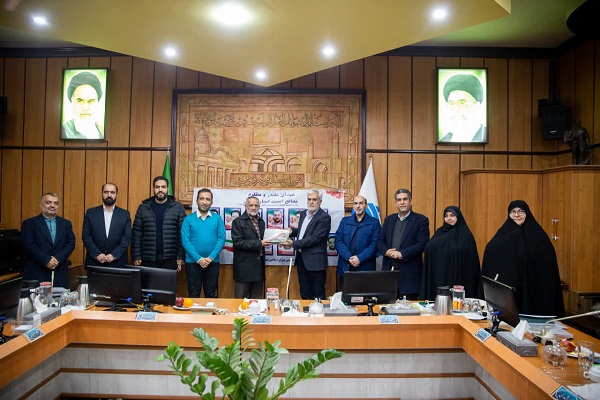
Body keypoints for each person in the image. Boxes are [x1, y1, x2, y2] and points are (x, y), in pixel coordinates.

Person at [481, 200, 564, 317]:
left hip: (534, 289)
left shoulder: (539, 236)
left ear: (527, 213)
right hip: (512, 290)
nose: (517, 215)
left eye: (521, 211)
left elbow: (548, 264)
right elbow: (491, 254)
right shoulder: (502, 236)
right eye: (513, 212)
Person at [377, 189, 430, 300]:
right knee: (386, 306)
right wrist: (387, 251)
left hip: (409, 274)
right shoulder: (389, 219)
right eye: (399, 200)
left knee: (409, 308)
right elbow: (380, 241)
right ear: (396, 203)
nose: (402, 202)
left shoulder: (421, 220)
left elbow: (423, 243)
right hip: (389, 272)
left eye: (405, 199)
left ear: (410, 201)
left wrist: (402, 254)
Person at [420, 206, 480, 300]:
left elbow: (470, 259)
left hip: (459, 275)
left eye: (452, 215)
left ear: (458, 217)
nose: (449, 218)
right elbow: (429, 247)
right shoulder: (439, 232)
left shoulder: (465, 235)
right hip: (440, 272)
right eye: (446, 216)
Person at [282, 189, 332, 300]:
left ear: (320, 201)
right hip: (301, 260)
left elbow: (315, 238)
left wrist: (294, 243)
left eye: (314, 199)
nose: (311, 202)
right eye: (309, 199)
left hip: (316, 262)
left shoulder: (324, 217)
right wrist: (291, 231)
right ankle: (306, 312)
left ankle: (319, 312)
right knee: (304, 293)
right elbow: (303, 232)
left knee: (318, 294)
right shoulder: (303, 214)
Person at [21, 193, 76, 288]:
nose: (52, 205)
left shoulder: (66, 224)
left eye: (56, 203)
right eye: (48, 202)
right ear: (41, 204)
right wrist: (46, 260)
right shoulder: (30, 223)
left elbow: (71, 243)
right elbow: (28, 245)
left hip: (59, 270)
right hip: (37, 271)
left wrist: (57, 259)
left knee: (59, 296)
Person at [131, 176, 186, 270]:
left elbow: (182, 233)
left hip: (171, 258)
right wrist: (136, 255)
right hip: (148, 257)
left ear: (167, 188)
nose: (160, 190)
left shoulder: (178, 207)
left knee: (168, 281)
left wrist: (181, 256)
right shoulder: (143, 207)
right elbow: (137, 233)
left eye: (163, 187)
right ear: (153, 188)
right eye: (157, 187)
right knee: (147, 280)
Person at [181, 188, 226, 297]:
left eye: (207, 199)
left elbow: (221, 239)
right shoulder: (188, 219)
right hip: (193, 262)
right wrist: (198, 259)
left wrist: (210, 258)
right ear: (197, 201)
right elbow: (185, 241)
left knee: (211, 294)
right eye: (201, 199)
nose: (204, 202)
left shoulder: (218, 219)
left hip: (212, 263)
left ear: (211, 202)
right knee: (193, 294)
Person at [334, 195, 381, 288]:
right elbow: (338, 241)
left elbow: (375, 245)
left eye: (361, 203)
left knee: (364, 295)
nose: (358, 206)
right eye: (355, 203)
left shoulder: (374, 223)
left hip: (365, 268)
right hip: (346, 267)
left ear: (366, 206)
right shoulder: (345, 221)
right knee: (344, 295)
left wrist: (359, 258)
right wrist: (349, 258)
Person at [82, 183, 132, 267]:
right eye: (106, 192)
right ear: (102, 193)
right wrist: (97, 254)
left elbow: (127, 237)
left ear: (117, 195)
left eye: (112, 192)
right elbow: (86, 236)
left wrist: (114, 255)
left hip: (118, 263)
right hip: (95, 262)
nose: (109, 195)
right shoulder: (91, 213)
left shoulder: (125, 214)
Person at [231, 196, 270, 298]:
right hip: (244, 269)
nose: (253, 208)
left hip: (258, 269)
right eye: (251, 205)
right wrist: (260, 244)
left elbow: (262, 239)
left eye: (256, 205)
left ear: (259, 207)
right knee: (240, 301)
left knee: (257, 302)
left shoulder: (261, 222)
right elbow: (238, 242)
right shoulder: (237, 222)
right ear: (245, 206)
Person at [439, 73, 486, 143]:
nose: (456, 109)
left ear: (477, 106)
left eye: (462, 103)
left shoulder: (488, 136)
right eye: (451, 104)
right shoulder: (444, 140)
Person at [61, 71, 105, 139]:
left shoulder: (103, 131)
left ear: (97, 102)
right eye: (80, 101)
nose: (85, 108)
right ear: (72, 101)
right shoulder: (63, 131)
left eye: (90, 101)